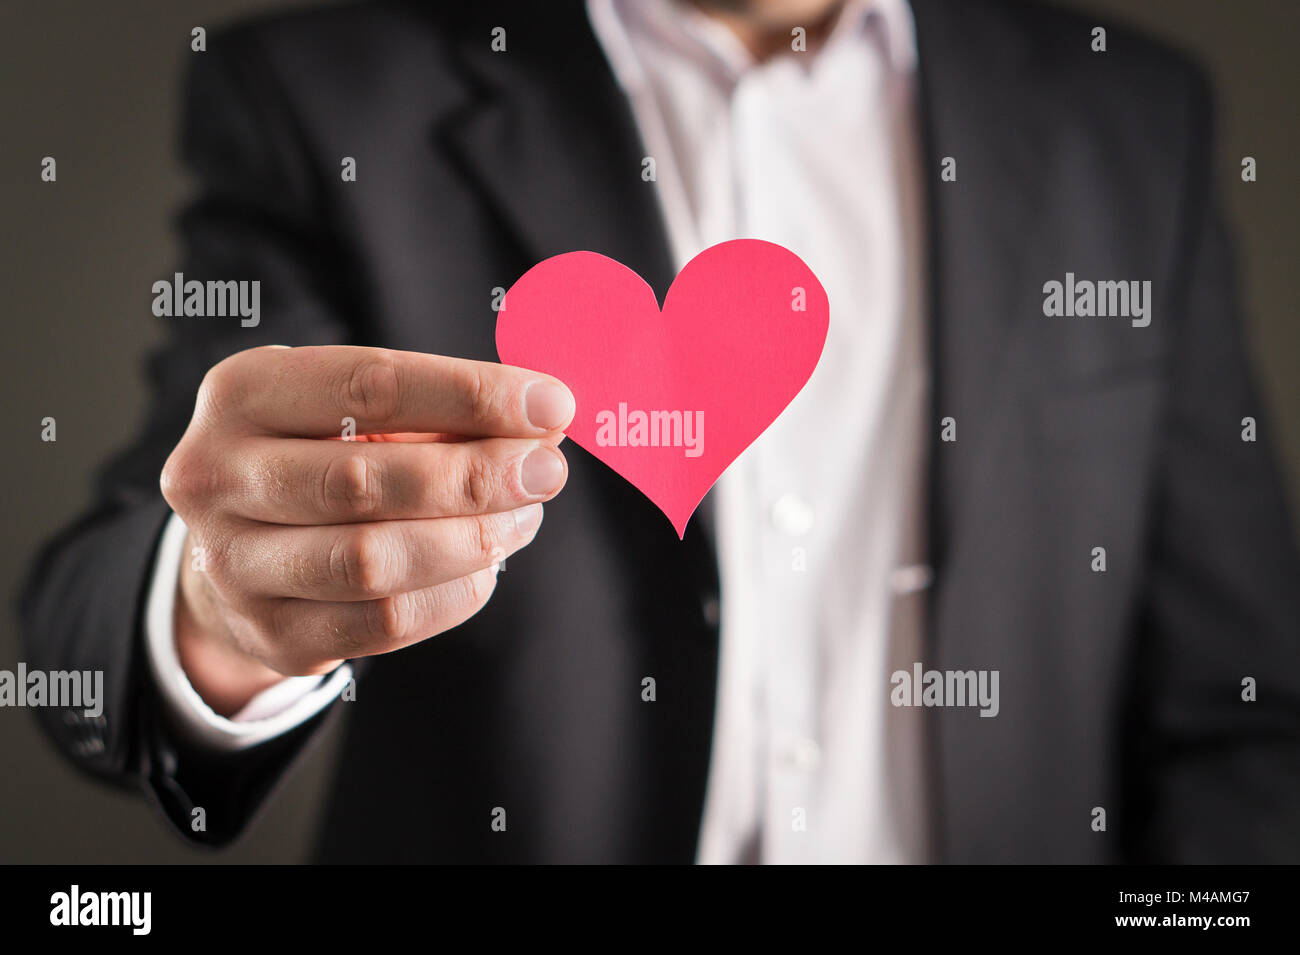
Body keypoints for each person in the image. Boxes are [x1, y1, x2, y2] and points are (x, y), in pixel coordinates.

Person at [21, 0, 1300, 863]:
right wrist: (220, 607)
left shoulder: (1124, 117)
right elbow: (106, 596)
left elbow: (1235, 694)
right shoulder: (332, 93)